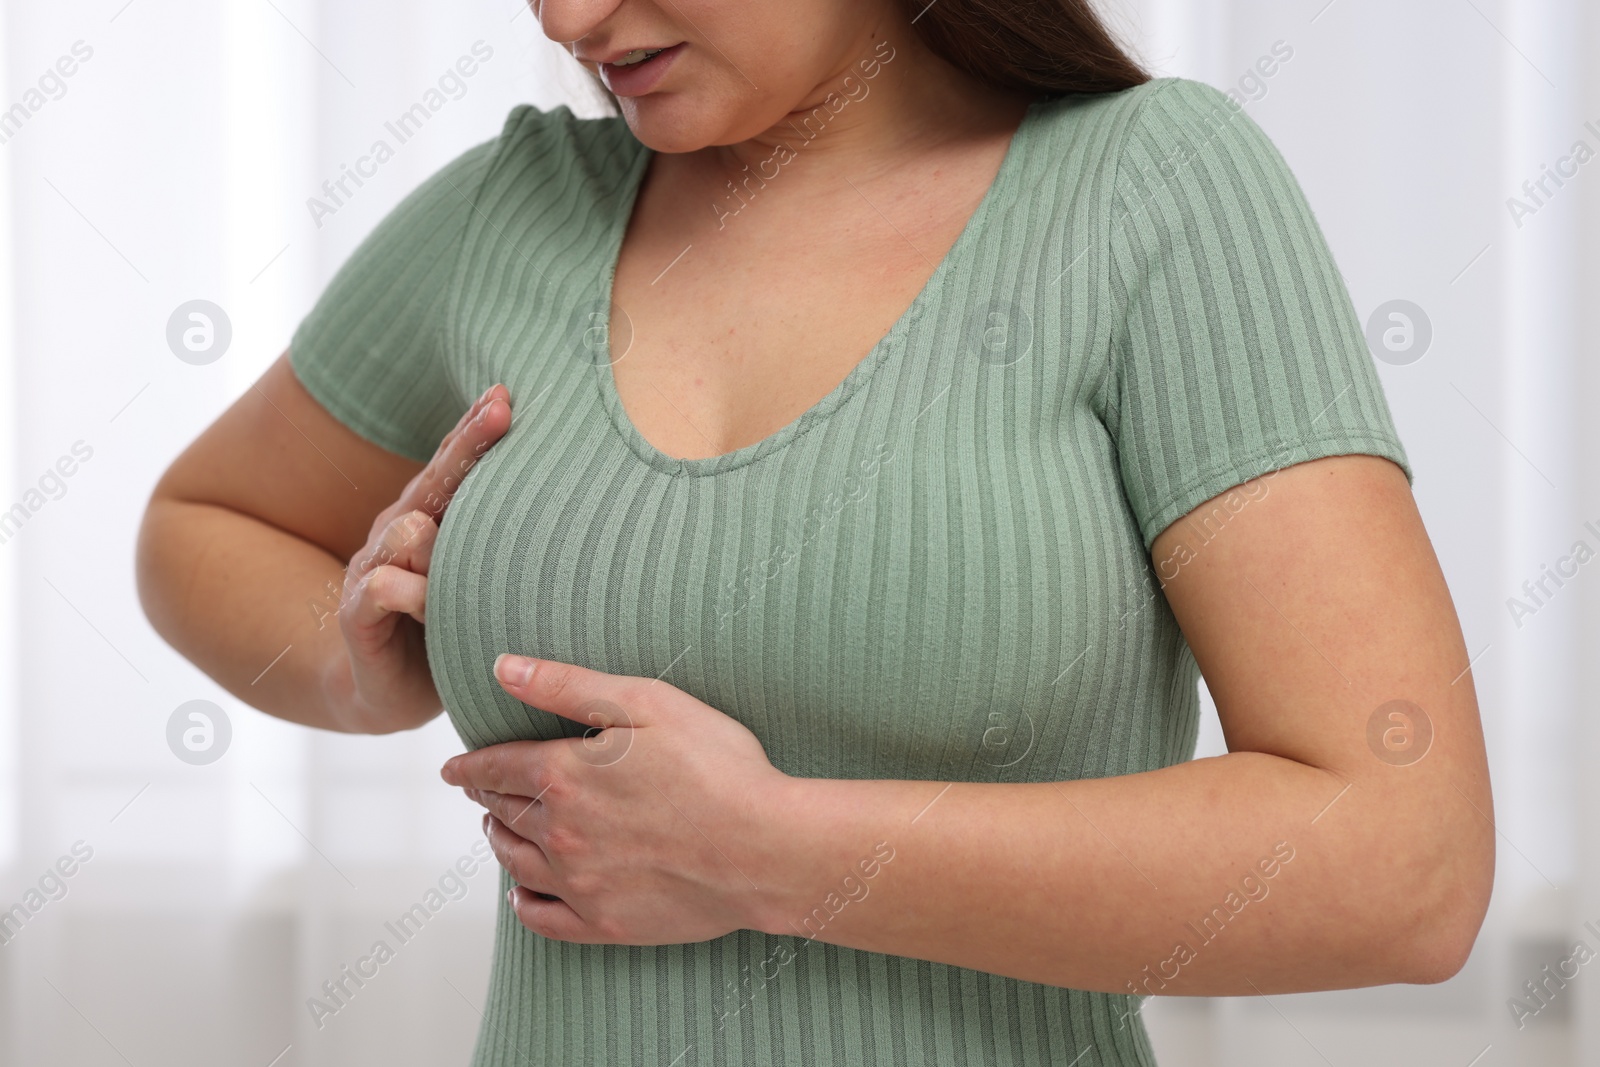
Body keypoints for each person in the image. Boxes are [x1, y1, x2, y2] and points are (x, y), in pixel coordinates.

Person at [135, 0, 1494, 1063]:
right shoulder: (513, 212)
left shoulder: (1153, 193)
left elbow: (1401, 866)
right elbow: (204, 521)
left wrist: (773, 854)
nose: (565, 19)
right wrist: (347, 657)